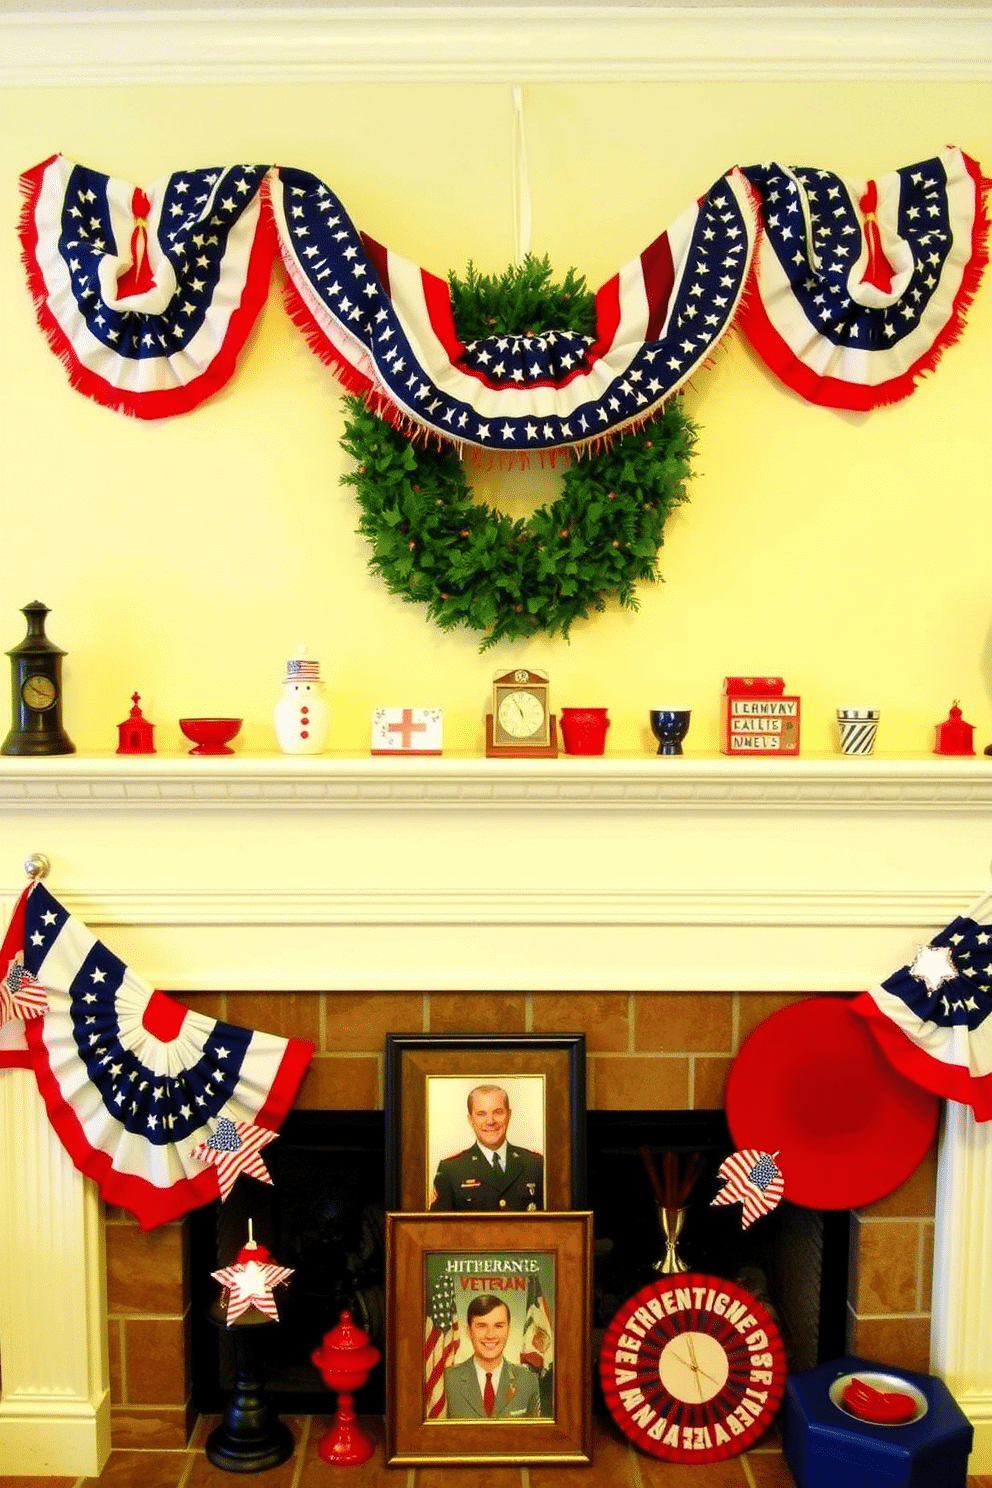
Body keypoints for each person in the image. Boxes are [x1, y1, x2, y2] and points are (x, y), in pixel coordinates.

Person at [429, 1083, 544, 1211]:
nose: (490, 1121)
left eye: (498, 1112)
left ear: (509, 1115)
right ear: (470, 1119)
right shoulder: (450, 1170)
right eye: (481, 1114)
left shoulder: (536, 1164)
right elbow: (439, 1228)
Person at [443, 1294, 541, 1419]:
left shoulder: (527, 1380)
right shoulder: (449, 1380)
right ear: (469, 1331)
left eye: (498, 1326)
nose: (490, 1335)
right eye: (482, 1326)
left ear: (508, 1330)